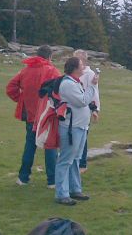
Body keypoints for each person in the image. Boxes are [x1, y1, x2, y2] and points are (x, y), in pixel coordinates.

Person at [6, 45, 61, 188]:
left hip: (30, 115)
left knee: (30, 145)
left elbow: (11, 87)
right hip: (46, 115)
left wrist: (21, 99)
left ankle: (23, 177)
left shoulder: (25, 70)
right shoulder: (52, 71)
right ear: (49, 57)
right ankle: (52, 180)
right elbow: (60, 91)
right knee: (50, 147)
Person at [55, 57, 98, 205]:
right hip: (71, 129)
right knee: (66, 159)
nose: (84, 67)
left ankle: (75, 189)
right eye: (81, 65)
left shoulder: (74, 82)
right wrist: (92, 86)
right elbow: (82, 101)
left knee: (75, 159)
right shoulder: (68, 84)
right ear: (74, 68)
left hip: (79, 127)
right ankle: (62, 194)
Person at [73, 50, 100, 174]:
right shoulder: (74, 73)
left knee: (83, 136)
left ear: (83, 60)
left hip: (86, 109)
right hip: (74, 109)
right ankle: (73, 160)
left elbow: (94, 91)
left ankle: (82, 164)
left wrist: (95, 110)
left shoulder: (90, 74)